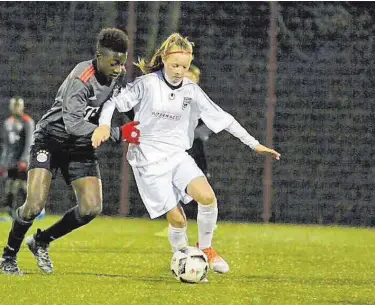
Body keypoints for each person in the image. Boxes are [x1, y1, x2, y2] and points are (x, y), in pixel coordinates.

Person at [92, 33, 280, 275]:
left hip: (177, 156)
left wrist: (254, 144)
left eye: (185, 66)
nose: (180, 71)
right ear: (164, 59)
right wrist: (104, 126)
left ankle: (206, 248)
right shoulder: (147, 84)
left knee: (207, 197)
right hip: (148, 162)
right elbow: (112, 104)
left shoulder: (191, 90)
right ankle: (182, 259)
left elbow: (224, 118)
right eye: (175, 65)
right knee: (179, 221)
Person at [0, 28, 140, 275]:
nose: (119, 68)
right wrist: (118, 133)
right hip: (51, 141)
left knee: (91, 208)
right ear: (99, 56)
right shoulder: (81, 78)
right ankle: (9, 256)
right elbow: (74, 124)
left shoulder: (117, 75)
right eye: (114, 62)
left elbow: (122, 103)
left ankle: (41, 241)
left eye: (122, 62)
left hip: (80, 147)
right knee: (33, 205)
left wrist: (139, 123)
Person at [154, 64, 214, 237]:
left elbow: (210, 123)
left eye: (191, 77)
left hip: (194, 148)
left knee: (201, 188)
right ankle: (176, 223)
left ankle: (208, 223)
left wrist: (196, 134)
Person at [0, 97, 37, 220]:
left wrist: (25, 159)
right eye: (14, 105)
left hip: (22, 160)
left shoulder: (27, 122)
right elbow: (6, 144)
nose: (16, 108)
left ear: (22, 106)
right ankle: (11, 213)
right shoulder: (7, 122)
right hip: (11, 160)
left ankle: (36, 209)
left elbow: (29, 142)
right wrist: (3, 162)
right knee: (10, 185)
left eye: (18, 105)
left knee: (23, 185)